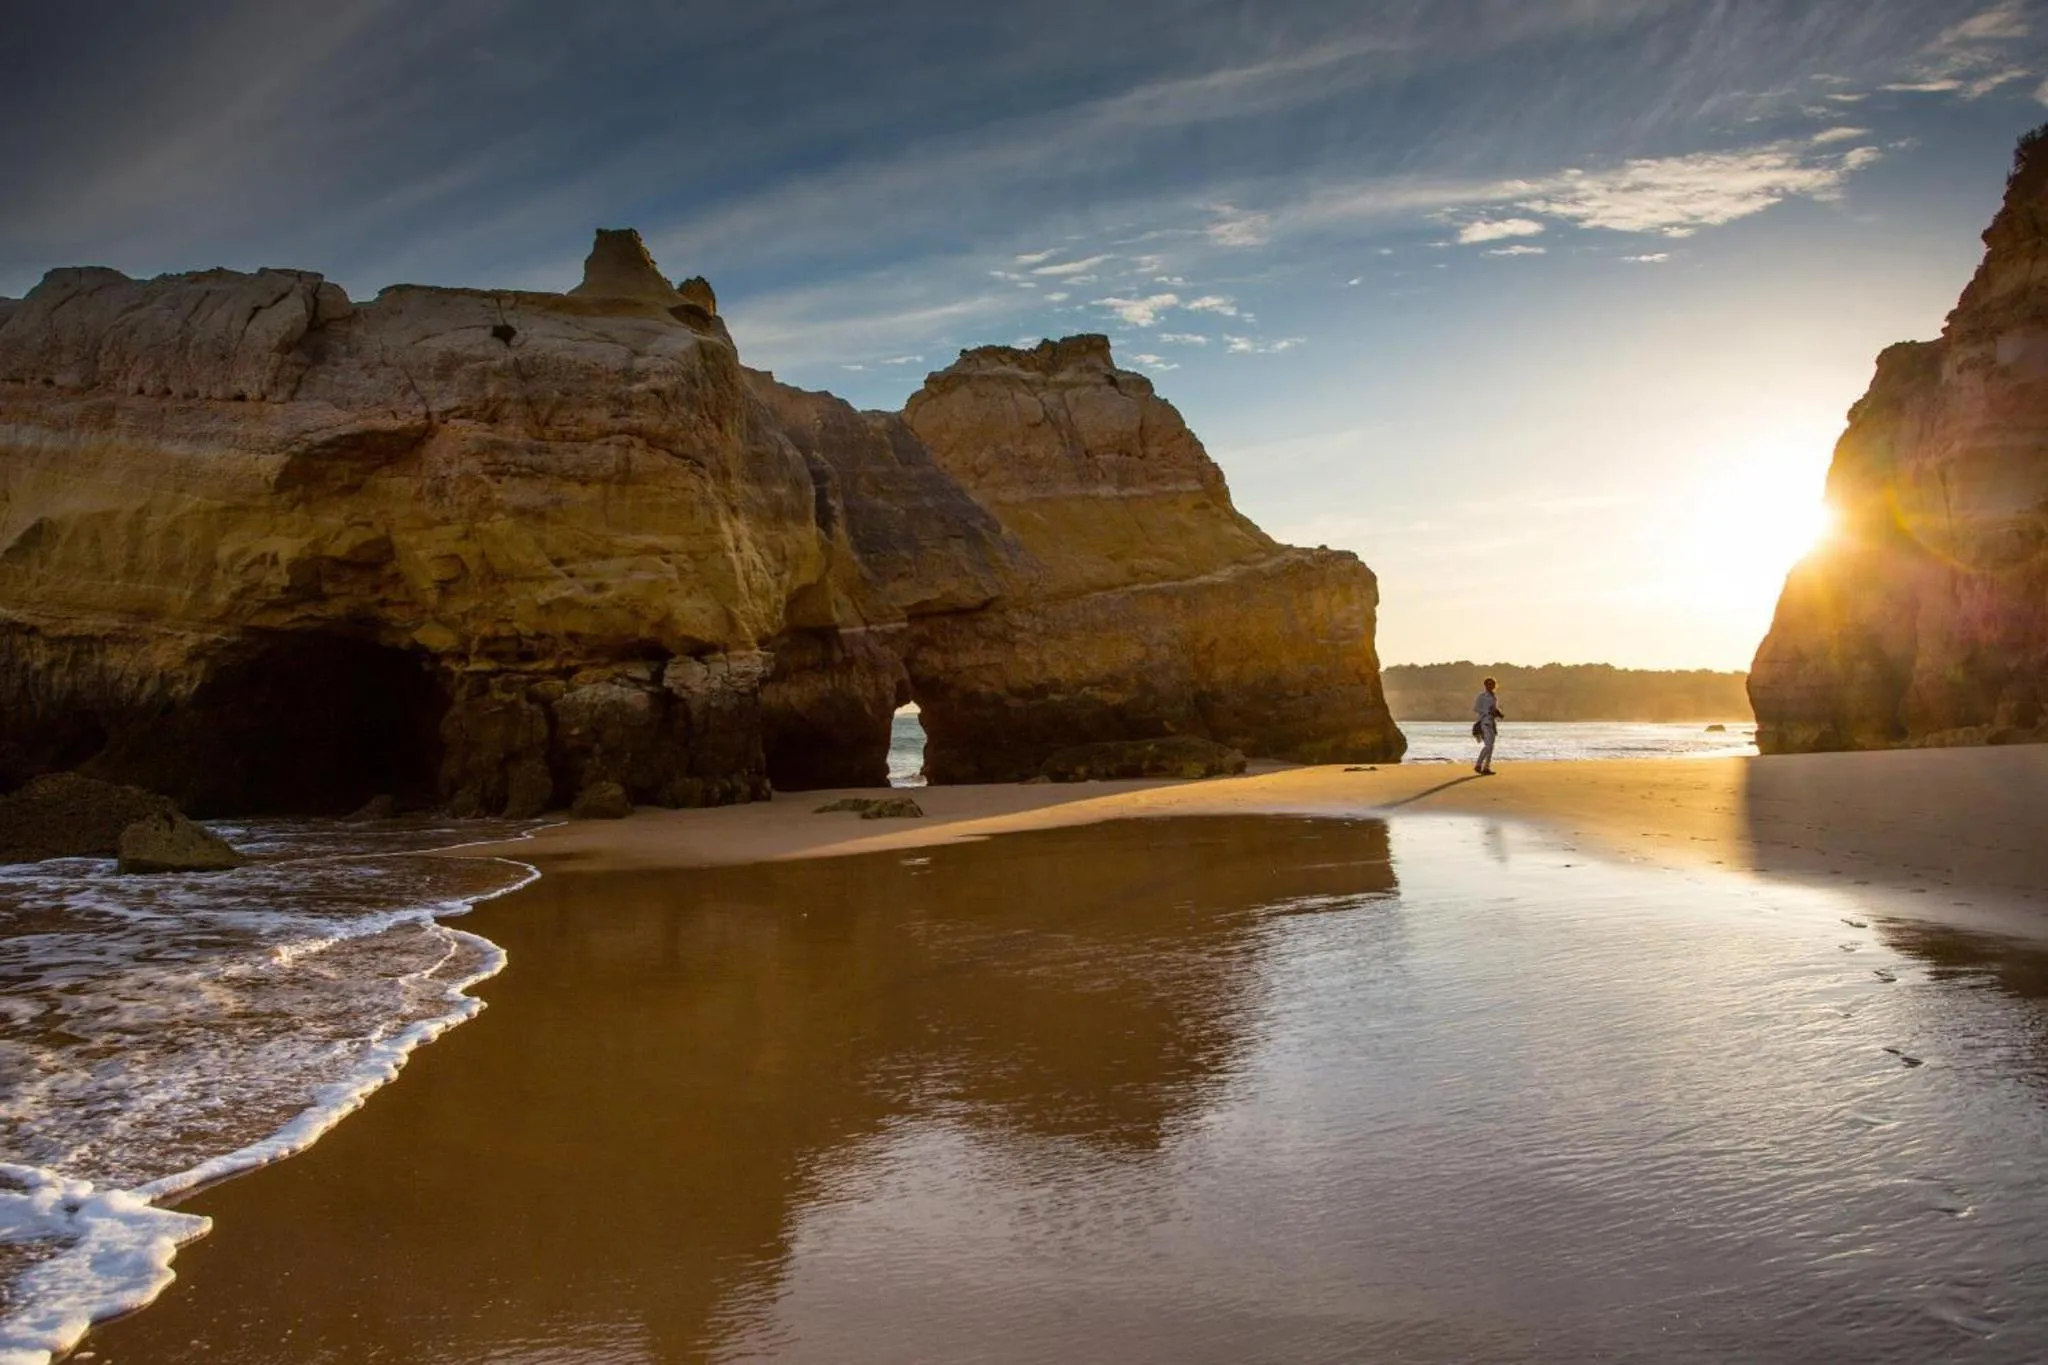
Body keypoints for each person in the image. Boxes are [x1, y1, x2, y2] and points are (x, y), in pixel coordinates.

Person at [1473, 676, 1504, 775]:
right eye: (1489, 684)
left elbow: (1494, 708)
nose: (1491, 686)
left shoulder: (1494, 696)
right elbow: (1476, 708)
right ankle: (1478, 765)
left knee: (1491, 746)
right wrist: (1487, 711)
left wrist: (1498, 712)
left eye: (1493, 684)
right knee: (1488, 745)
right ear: (1485, 685)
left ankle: (1487, 767)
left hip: (1492, 723)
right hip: (1484, 722)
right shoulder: (1481, 696)